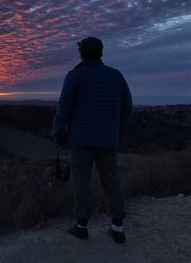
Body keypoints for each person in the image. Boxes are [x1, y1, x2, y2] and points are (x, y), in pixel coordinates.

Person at [51, 36, 133, 244]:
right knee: (111, 181)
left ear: (82, 53)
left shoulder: (75, 76)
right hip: (108, 139)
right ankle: (118, 228)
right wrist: (116, 128)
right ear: (101, 53)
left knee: (81, 183)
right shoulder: (115, 75)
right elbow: (127, 106)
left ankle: (81, 227)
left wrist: (58, 133)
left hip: (80, 140)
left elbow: (64, 108)